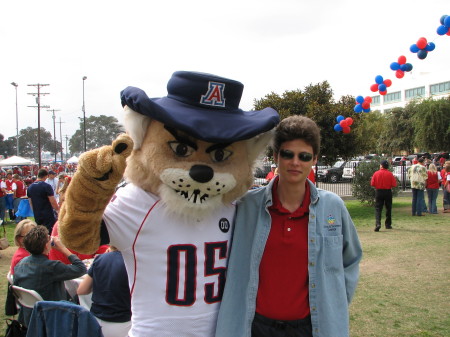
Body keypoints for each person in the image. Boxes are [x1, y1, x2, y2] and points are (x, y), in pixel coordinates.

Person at [216, 116, 362, 337]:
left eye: (304, 156)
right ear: (275, 157)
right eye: (287, 154)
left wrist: (336, 301)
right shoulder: (246, 206)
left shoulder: (333, 207)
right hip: (255, 327)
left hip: (309, 328)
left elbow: (351, 260)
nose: (295, 162)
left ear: (314, 159)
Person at [13, 225, 87, 327]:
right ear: (46, 245)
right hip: (53, 314)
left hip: (30, 315)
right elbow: (81, 269)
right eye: (49, 238)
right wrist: (63, 248)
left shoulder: (20, 264)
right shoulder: (51, 267)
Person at [77, 246, 132, 337]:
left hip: (96, 320)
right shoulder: (133, 262)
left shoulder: (100, 259)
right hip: (123, 322)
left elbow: (82, 290)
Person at [370, 160, 397, 231]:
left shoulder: (376, 173)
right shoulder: (390, 174)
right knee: (388, 208)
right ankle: (388, 224)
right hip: (388, 192)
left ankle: (378, 223)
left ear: (381, 166)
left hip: (379, 191)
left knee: (378, 208)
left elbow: (372, 183)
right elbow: (394, 184)